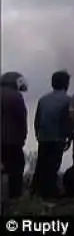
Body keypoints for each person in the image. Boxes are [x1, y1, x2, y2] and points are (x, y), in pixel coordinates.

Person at [32, 70, 72, 199]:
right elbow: (68, 120)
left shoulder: (43, 99)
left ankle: (35, 191)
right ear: (66, 84)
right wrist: (68, 137)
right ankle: (50, 193)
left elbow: (37, 119)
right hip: (58, 137)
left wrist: (38, 134)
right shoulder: (68, 100)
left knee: (41, 165)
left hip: (43, 136)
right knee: (53, 166)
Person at [1, 71, 28, 200]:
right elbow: (21, 119)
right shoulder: (16, 97)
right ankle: (14, 198)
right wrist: (22, 137)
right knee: (16, 168)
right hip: (11, 140)